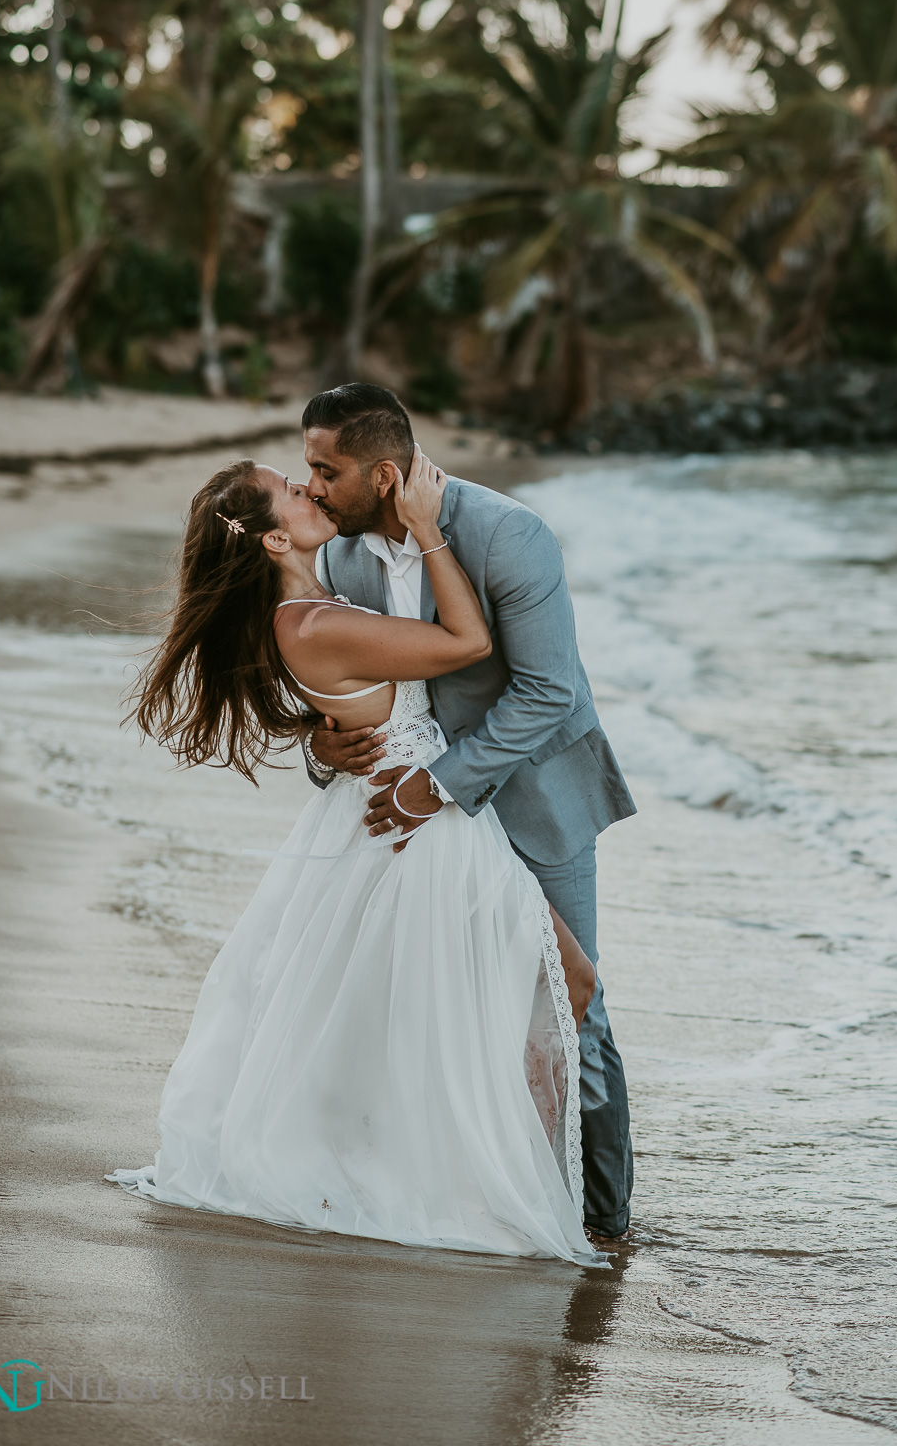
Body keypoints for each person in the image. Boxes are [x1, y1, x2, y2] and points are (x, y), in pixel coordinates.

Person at [108, 447, 604, 1266]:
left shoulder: (309, 606)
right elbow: (469, 643)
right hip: (422, 826)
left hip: (396, 813)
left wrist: (318, 736)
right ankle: (513, 1196)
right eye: (288, 490)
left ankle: (512, 1183)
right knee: (557, 985)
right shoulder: (315, 620)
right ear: (273, 541)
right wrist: (428, 531)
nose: (306, 489)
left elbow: (350, 693)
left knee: (440, 1012)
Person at [300, 384, 636, 1240]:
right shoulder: (341, 562)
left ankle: (603, 1224)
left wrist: (438, 784)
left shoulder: (507, 534)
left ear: (383, 473)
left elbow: (549, 691)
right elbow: (363, 693)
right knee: (421, 1010)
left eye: (325, 470)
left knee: (570, 1013)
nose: (311, 488)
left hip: (531, 803)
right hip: (419, 830)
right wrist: (320, 751)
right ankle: (468, 1194)